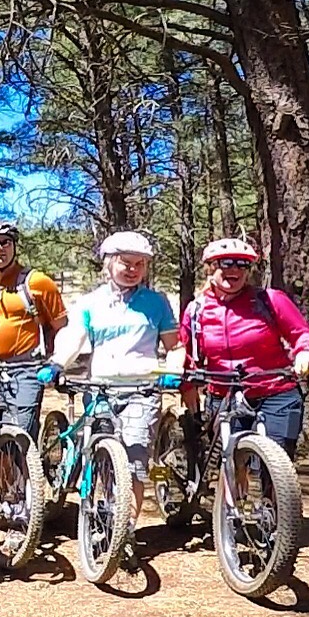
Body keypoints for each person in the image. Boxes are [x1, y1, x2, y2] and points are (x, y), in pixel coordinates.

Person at [38, 232, 180, 565]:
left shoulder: (156, 302)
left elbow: (173, 344)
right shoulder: (90, 302)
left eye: (139, 264)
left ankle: (125, 531)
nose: (132, 269)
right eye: (125, 263)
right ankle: (99, 513)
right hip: (100, 388)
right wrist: (58, 362)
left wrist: (174, 368)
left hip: (142, 389)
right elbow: (74, 337)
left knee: (134, 462)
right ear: (108, 263)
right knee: (98, 455)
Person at [176, 237, 309, 459]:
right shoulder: (197, 310)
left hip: (275, 391)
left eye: (242, 264)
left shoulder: (269, 300)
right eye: (226, 263)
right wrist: (181, 377)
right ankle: (232, 490)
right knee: (229, 459)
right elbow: (185, 352)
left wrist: (306, 352)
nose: (234, 269)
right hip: (224, 394)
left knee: (276, 459)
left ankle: (274, 494)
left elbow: (301, 333)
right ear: (210, 267)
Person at [0, 220, 68, 439]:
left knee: (21, 435)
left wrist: (55, 362)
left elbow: (60, 328)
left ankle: (28, 472)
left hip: (25, 369)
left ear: (14, 246)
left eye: (5, 242)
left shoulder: (37, 283)